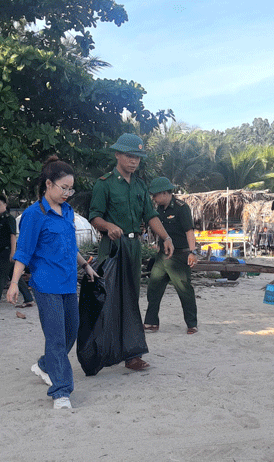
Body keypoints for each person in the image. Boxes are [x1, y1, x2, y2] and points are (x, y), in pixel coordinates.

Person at [7, 156, 97, 410]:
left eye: (71, 188)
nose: (68, 193)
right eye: (64, 188)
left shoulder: (67, 212)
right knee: (56, 337)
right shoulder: (34, 215)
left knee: (71, 331)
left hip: (68, 282)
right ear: (48, 184)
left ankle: (45, 365)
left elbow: (70, 246)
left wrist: (85, 265)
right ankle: (61, 392)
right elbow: (23, 251)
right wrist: (14, 283)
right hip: (45, 284)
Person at [89, 133, 174, 370]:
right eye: (129, 155)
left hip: (134, 246)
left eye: (137, 157)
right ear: (117, 155)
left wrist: (165, 237)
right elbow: (94, 216)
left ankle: (132, 354)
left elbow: (151, 215)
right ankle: (98, 352)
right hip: (113, 247)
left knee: (131, 299)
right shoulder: (104, 183)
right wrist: (108, 226)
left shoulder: (140, 185)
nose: (134, 161)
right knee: (108, 299)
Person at [143, 177, 199, 334]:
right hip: (162, 256)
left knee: (184, 290)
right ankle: (151, 322)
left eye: (155, 195)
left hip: (180, 257)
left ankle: (191, 324)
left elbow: (189, 231)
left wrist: (193, 252)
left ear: (164, 193)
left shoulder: (182, 208)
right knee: (154, 288)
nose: (153, 198)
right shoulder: (159, 210)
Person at [0, 194, 34, 311]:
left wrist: (13, 253)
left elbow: (13, 236)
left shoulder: (9, 219)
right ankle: (29, 299)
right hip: (3, 251)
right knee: (15, 276)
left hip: (8, 251)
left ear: (5, 204)